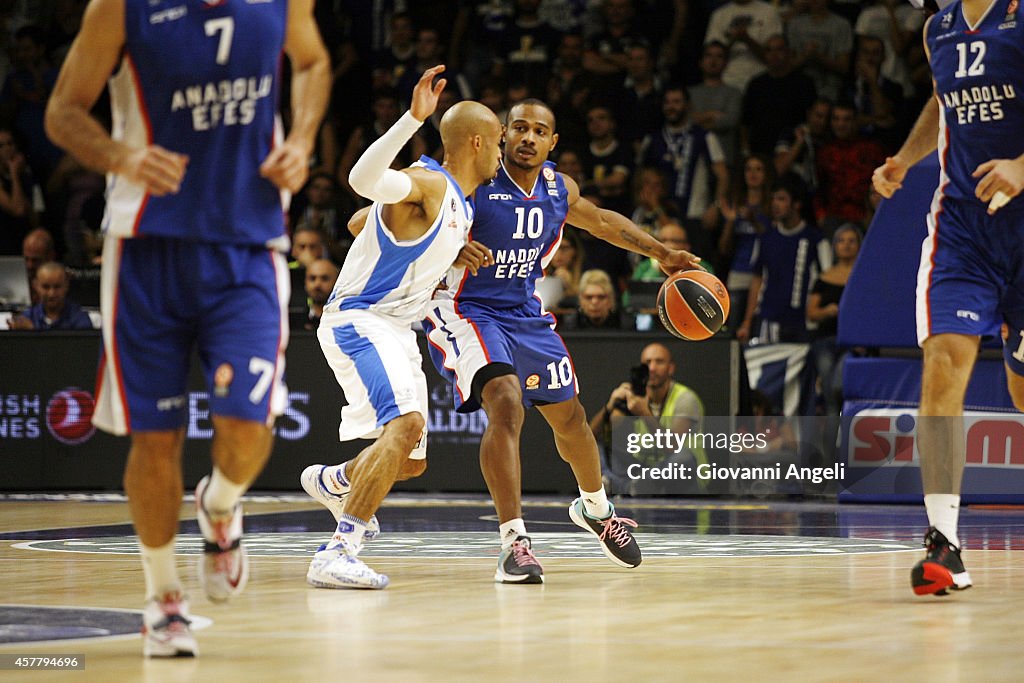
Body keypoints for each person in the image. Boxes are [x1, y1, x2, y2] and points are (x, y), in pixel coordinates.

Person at [44, 0, 330, 658]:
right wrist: (120, 155)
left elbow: (312, 62)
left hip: (248, 243)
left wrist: (305, 138)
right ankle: (163, 597)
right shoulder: (119, 8)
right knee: (155, 438)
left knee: (248, 424)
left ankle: (220, 503)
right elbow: (62, 109)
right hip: (147, 246)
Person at [422, 98, 700, 584]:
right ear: (502, 134)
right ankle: (515, 543)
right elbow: (405, 217)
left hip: (524, 311)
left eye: (540, 131)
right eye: (521, 128)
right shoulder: (472, 179)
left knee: (570, 417)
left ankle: (596, 509)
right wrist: (446, 241)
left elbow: (603, 221)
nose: (529, 138)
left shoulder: (558, 188)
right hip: (466, 309)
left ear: (553, 143)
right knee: (507, 403)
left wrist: (661, 253)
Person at [301, 66, 503, 590]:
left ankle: (335, 481)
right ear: (477, 143)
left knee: (409, 462)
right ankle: (339, 549)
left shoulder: (454, 203)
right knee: (406, 426)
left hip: (395, 328)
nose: (503, 155)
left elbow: (359, 222)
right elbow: (362, 184)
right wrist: (411, 120)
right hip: (362, 318)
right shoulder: (430, 181)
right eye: (500, 143)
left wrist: (443, 246)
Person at [871, 0, 1024, 597]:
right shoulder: (939, 27)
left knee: (1018, 388)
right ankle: (943, 541)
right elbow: (941, 99)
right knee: (941, 367)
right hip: (962, 227)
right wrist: (906, 160)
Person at [589, 342, 706, 494]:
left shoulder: (685, 399)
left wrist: (644, 413)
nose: (652, 368)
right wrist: (610, 406)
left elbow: (672, 448)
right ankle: (631, 486)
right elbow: (590, 436)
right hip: (643, 469)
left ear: (671, 368)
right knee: (596, 448)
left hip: (678, 474)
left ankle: (620, 486)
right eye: (647, 363)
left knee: (684, 458)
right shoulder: (635, 395)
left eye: (659, 362)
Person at [805, 224, 862, 415]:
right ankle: (831, 444)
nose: (846, 245)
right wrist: (827, 311)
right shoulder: (824, 277)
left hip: (854, 343)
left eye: (851, 241)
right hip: (826, 340)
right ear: (834, 246)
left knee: (840, 386)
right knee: (829, 393)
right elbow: (811, 313)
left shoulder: (864, 275)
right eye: (841, 241)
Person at [6, 260, 94, 330]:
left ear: (66, 285)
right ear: (35, 286)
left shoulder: (79, 319)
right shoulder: (27, 317)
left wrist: (32, 332)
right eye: (45, 287)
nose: (51, 294)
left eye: (57, 287)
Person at [291, 258, 338, 332]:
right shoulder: (292, 321)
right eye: (312, 278)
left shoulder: (345, 319)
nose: (317, 284)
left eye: (324, 278)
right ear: (305, 283)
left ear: (336, 282)